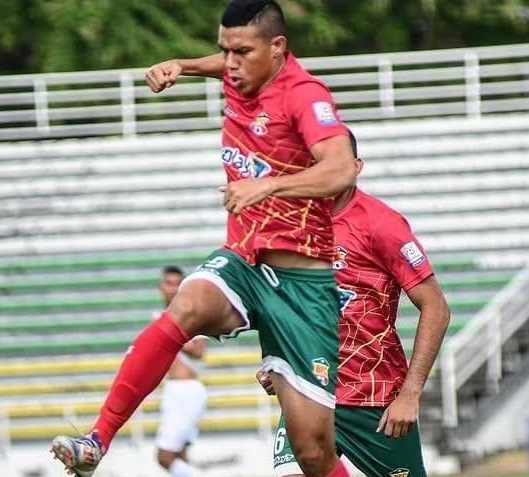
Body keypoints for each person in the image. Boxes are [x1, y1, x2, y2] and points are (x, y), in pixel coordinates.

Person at [50, 1, 358, 476]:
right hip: (245, 262)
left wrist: (269, 184)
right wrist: (185, 65)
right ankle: (96, 441)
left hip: (304, 285)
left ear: (278, 48)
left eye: (242, 52)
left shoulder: (304, 94)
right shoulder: (240, 74)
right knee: (186, 307)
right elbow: (224, 64)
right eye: (224, 51)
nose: (230, 64)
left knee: (313, 452)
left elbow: (338, 168)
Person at [258, 133, 451, 477]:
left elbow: (436, 307)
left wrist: (410, 393)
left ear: (356, 167)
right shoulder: (293, 226)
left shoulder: (382, 224)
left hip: (373, 397)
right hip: (309, 390)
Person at [153, 266, 208, 477]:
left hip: (187, 390)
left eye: (178, 283)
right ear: (160, 287)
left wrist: (166, 333)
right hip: (172, 389)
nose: (173, 288)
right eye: (169, 283)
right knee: (181, 456)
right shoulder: (158, 317)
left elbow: (198, 351)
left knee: (164, 456)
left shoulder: (195, 316)